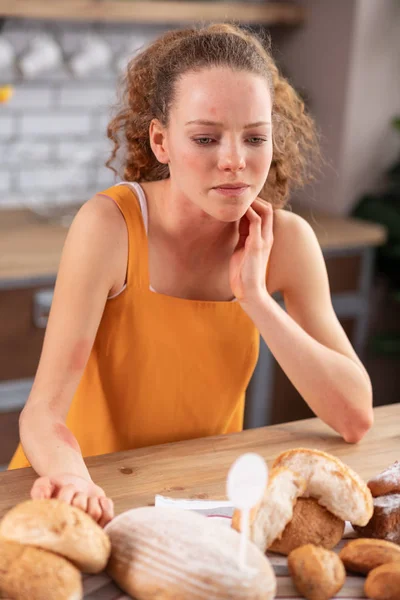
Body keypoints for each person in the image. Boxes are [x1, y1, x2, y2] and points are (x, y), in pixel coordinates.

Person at [8, 23, 373, 527]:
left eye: (255, 138)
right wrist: (75, 482)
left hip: (195, 500)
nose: (234, 161)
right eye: (205, 138)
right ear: (161, 140)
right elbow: (42, 415)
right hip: (76, 490)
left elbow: (355, 416)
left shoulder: (286, 242)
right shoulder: (110, 227)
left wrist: (256, 299)